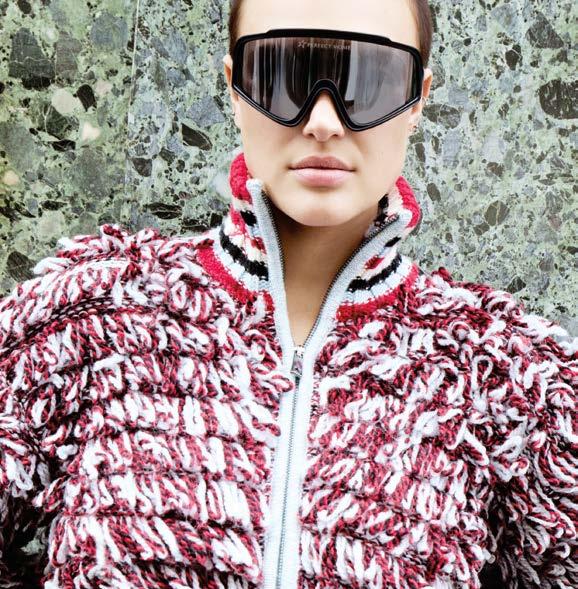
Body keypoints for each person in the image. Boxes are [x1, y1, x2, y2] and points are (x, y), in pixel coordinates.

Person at [0, 0, 576, 588]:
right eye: (283, 73)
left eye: (369, 79)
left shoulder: (500, 373)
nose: (323, 121)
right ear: (235, 87)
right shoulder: (94, 313)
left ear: (417, 100)